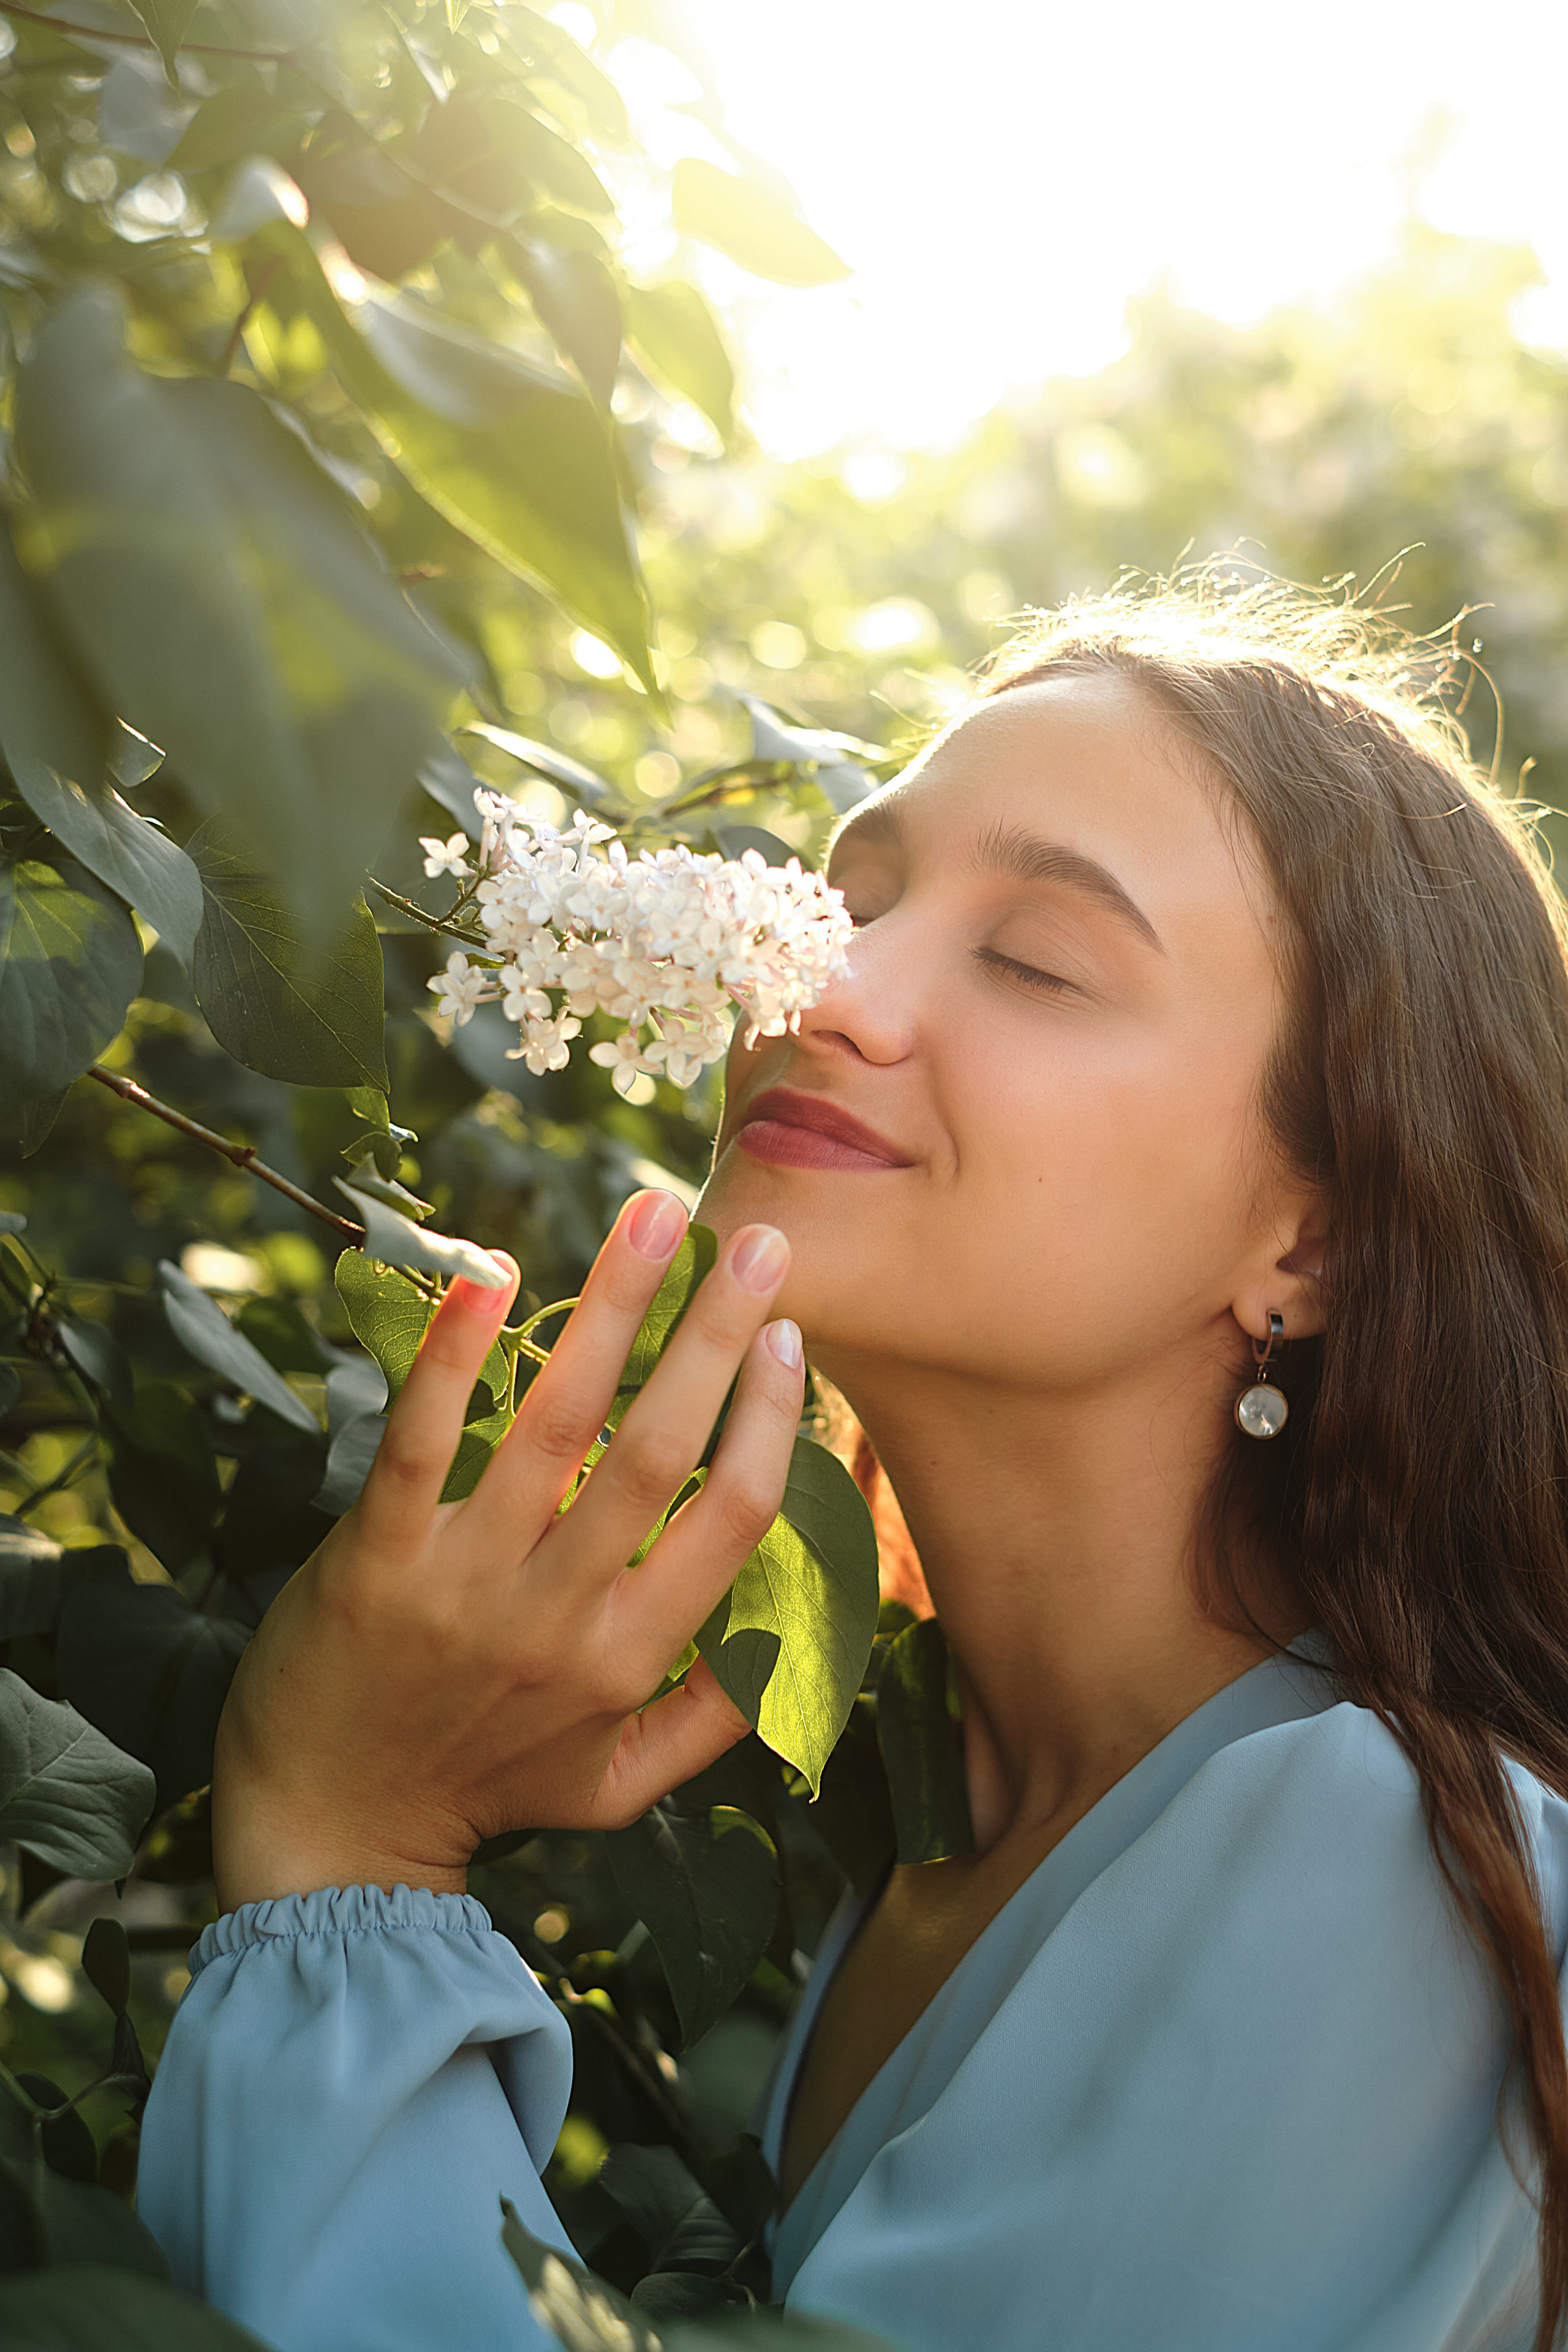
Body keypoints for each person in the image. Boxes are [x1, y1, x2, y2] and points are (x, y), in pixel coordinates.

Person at [139, 578, 1568, 2352]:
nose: (825, 989)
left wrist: (348, 1840)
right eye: (848, 896)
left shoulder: (1380, 1865)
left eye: (1040, 959)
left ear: (1320, 1245)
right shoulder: (950, 1844)